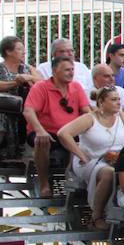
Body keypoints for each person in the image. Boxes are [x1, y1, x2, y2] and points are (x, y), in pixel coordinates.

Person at [58, 86, 124, 229]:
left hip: (117, 160)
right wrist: (80, 154)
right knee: (108, 173)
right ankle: (96, 216)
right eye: (113, 99)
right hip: (91, 160)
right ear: (101, 102)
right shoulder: (89, 118)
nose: (118, 103)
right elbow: (63, 133)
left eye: (119, 99)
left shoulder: (122, 116)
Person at [24, 56, 92, 197]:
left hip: (68, 133)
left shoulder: (76, 87)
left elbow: (86, 111)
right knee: (41, 140)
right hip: (47, 132)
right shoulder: (41, 87)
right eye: (67, 70)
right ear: (55, 71)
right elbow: (28, 111)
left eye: (72, 69)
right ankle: (44, 183)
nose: (71, 73)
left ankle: (76, 183)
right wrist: (40, 131)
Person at [0, 35, 42, 163]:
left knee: (31, 114)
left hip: (23, 104)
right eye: (19, 49)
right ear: (8, 51)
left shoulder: (28, 68)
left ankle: (24, 153)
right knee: (0, 116)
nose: (24, 52)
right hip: (0, 105)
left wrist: (29, 77)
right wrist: (15, 82)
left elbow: (42, 82)